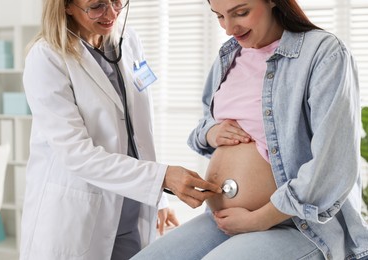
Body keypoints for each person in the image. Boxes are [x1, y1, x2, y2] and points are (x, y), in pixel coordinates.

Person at [131, 0, 368, 259]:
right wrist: (211, 132)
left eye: (241, 13)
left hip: (297, 224)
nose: (229, 28)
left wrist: (259, 219)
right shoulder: (229, 56)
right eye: (219, 16)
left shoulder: (323, 52)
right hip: (224, 220)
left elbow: (332, 164)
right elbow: (205, 126)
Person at [19, 0, 222, 259]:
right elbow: (76, 154)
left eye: (117, 2)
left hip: (131, 209)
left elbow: (140, 131)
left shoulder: (129, 41)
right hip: (77, 216)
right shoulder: (47, 57)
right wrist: (162, 178)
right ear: (67, 6)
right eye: (97, 6)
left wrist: (158, 199)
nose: (112, 13)